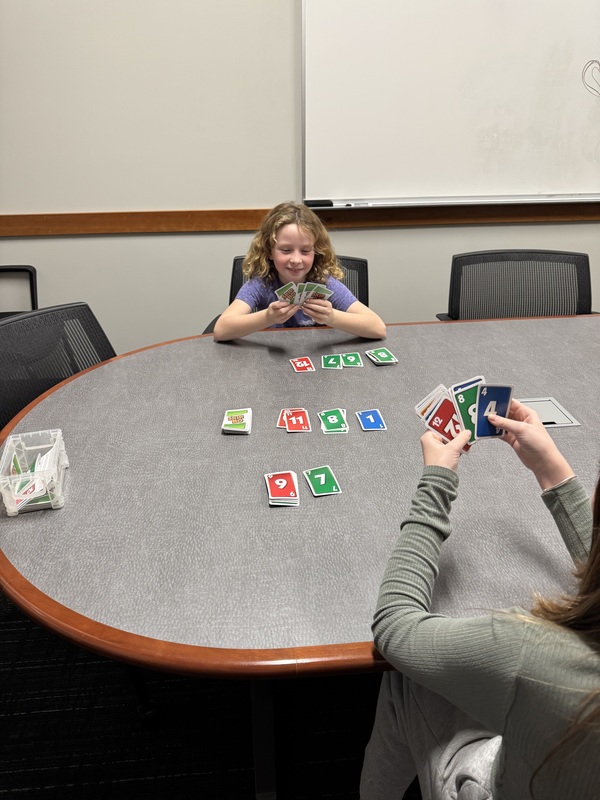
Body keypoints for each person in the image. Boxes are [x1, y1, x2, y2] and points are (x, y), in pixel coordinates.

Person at [360, 399, 600, 799]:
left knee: (408, 675)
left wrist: (436, 483)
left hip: (500, 784)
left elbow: (394, 626)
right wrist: (550, 467)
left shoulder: (531, 651)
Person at [212, 201, 386, 342]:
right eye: (286, 250)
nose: (296, 260)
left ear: (316, 251)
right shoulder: (261, 284)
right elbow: (221, 330)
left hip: (315, 362)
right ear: (269, 251)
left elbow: (378, 328)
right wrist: (267, 317)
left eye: (305, 251)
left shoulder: (324, 282)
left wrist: (332, 317)